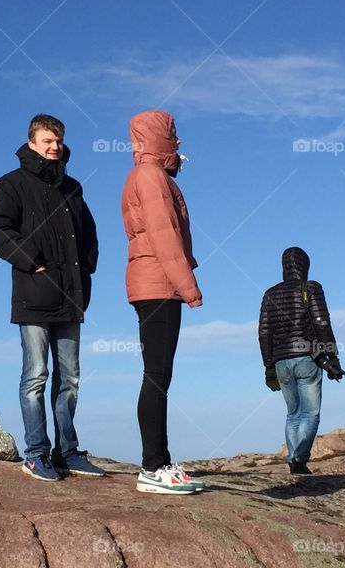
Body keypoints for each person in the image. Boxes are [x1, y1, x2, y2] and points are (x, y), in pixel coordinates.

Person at [0, 114, 104, 481]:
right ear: (32, 142)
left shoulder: (73, 187)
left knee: (70, 378)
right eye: (47, 140)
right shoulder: (11, 184)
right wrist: (30, 260)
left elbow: (89, 235)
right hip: (33, 296)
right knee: (35, 376)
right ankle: (35, 454)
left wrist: (86, 271)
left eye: (58, 140)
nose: (54, 146)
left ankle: (67, 451)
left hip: (71, 295)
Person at [121, 110, 205, 495]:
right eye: (174, 135)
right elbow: (164, 235)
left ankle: (160, 460)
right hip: (158, 285)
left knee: (159, 374)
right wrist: (189, 287)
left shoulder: (145, 175)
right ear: (160, 138)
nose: (179, 142)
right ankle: (153, 467)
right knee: (157, 374)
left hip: (153, 283)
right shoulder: (151, 177)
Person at [258, 246, 345, 475]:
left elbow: (264, 333)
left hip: (280, 361)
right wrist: (332, 356)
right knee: (310, 413)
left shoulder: (270, 293)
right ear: (305, 265)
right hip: (307, 358)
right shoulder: (311, 288)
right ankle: (299, 459)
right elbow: (321, 322)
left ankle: (293, 457)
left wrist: (269, 367)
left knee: (293, 413)